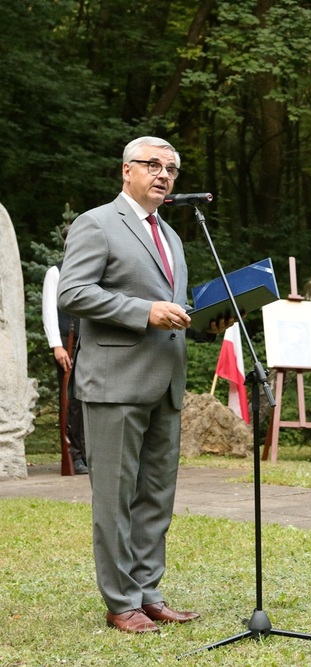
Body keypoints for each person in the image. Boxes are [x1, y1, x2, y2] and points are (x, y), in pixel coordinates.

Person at [58, 136, 229, 634]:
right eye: (153, 165)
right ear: (126, 171)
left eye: (171, 169)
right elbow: (74, 292)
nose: (163, 175)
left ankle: (148, 593)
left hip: (165, 382)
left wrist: (206, 318)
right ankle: (121, 602)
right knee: (115, 499)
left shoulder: (170, 235)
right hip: (115, 383)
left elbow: (170, 305)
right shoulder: (97, 223)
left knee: (156, 496)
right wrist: (144, 311)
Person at [42, 231, 88, 475]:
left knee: (86, 399)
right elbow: (49, 309)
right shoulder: (56, 272)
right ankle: (73, 455)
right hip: (65, 342)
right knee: (70, 400)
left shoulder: (90, 272)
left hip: (88, 341)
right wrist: (56, 345)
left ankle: (86, 453)